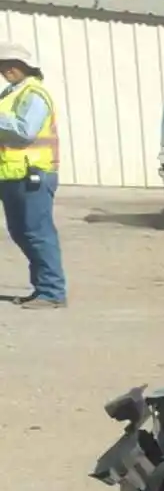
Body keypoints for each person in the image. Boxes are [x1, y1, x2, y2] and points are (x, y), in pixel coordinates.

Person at [0, 42, 67, 309]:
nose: (6, 70)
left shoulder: (34, 94)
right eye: (2, 66)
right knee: (21, 232)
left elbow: (25, 131)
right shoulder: (10, 93)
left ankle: (52, 292)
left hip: (33, 174)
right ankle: (43, 288)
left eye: (9, 65)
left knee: (37, 233)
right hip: (12, 175)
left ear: (23, 67)